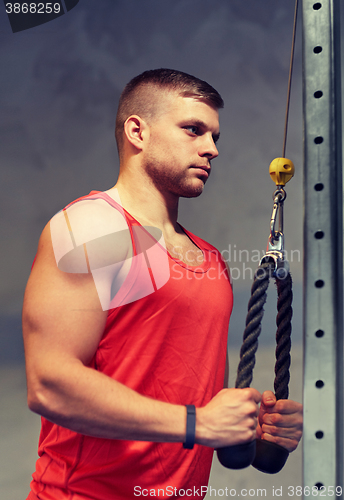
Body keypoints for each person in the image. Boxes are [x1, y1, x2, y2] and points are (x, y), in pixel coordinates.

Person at [22, 69, 302, 500]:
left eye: (215, 137)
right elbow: (50, 383)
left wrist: (255, 430)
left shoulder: (209, 259)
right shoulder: (95, 227)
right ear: (138, 131)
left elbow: (196, 401)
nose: (211, 149)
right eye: (193, 130)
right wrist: (199, 423)